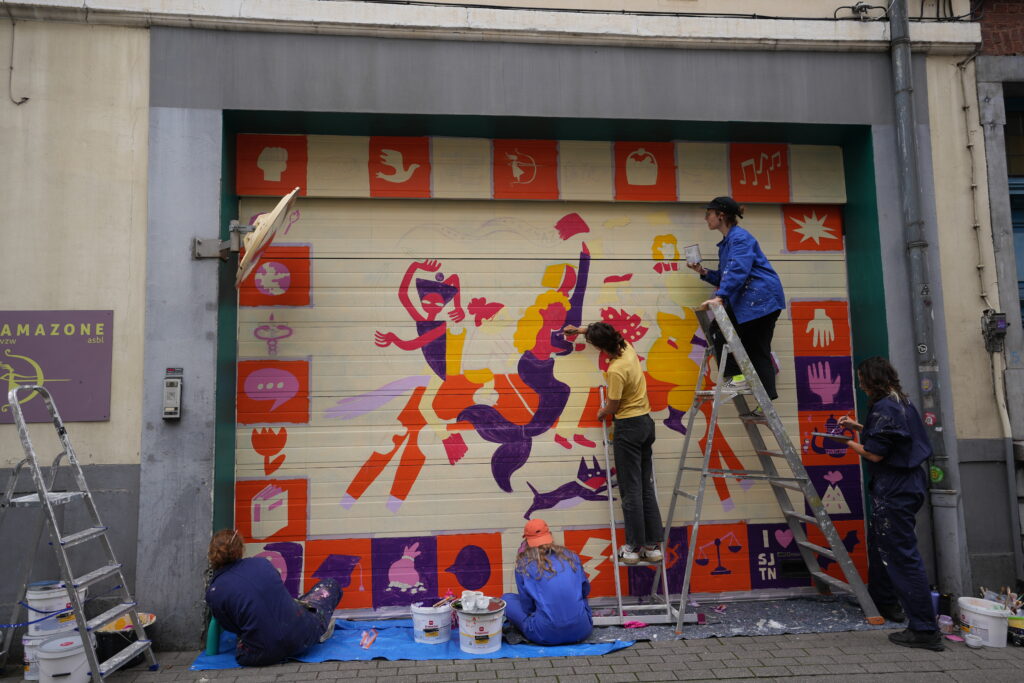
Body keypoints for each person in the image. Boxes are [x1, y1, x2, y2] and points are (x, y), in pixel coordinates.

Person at [837, 357, 943, 652]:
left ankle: (925, 629)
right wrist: (855, 426)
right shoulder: (900, 402)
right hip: (904, 484)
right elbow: (889, 437)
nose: (859, 383)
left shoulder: (885, 407)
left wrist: (844, 442)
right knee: (883, 547)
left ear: (871, 380)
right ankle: (885, 604)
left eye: (861, 378)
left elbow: (874, 454)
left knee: (901, 556)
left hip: (896, 488)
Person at [563, 321, 663, 565]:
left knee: (630, 490)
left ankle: (633, 547)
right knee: (645, 487)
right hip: (645, 424)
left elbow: (613, 405)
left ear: (600, 347)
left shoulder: (617, 370)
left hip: (628, 428)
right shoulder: (627, 349)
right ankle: (652, 546)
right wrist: (581, 330)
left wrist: (601, 412)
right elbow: (607, 332)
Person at [687, 196, 786, 406]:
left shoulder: (740, 238)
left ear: (721, 215)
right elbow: (728, 275)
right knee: (754, 349)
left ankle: (740, 382)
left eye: (708, 214)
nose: (706, 219)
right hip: (752, 302)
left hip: (760, 301)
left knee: (725, 334)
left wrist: (720, 296)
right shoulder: (728, 242)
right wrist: (703, 272)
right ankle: (761, 400)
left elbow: (739, 271)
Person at [205, 529, 341, 666]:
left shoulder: (214, 592)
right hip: (302, 636)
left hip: (257, 655)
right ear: (240, 549)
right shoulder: (262, 563)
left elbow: (230, 626)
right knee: (330, 585)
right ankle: (318, 629)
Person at [502, 519, 593, 645]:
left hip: (545, 634)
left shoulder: (524, 564)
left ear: (527, 541)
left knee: (507, 599)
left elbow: (527, 606)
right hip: (582, 630)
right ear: (549, 535)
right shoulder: (571, 556)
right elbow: (585, 591)